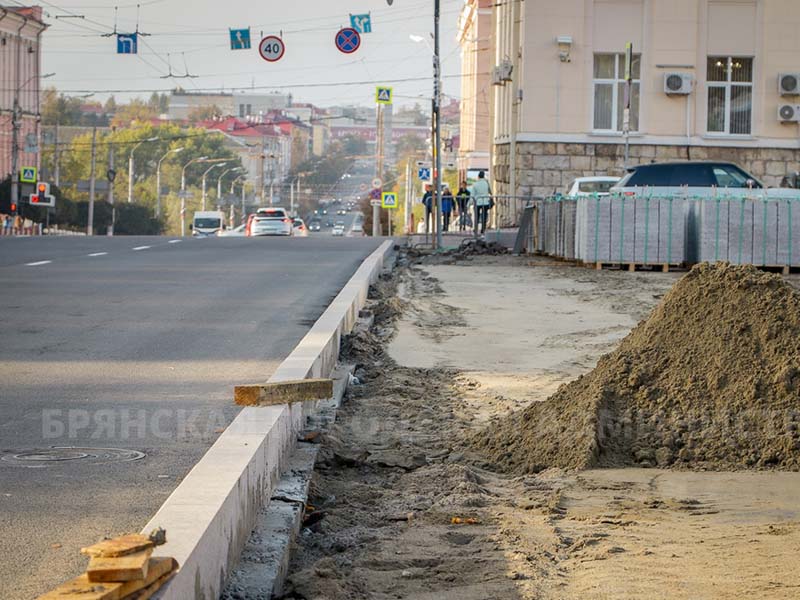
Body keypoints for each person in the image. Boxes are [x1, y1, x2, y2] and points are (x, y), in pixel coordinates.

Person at [469, 171, 493, 235]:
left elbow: (472, 195)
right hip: (485, 201)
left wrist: (469, 204)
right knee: (484, 216)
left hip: (477, 202)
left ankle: (476, 229)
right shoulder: (486, 183)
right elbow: (490, 191)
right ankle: (483, 229)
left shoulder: (475, 184)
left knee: (477, 216)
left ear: (478, 176)